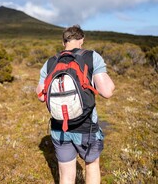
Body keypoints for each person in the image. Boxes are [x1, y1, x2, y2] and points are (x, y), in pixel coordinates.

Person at [36, 25, 115, 184]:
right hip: (86, 127)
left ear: (63, 41)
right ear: (82, 40)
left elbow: (41, 96)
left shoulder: (50, 62)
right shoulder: (92, 56)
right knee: (91, 165)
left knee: (66, 175)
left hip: (59, 128)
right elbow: (107, 92)